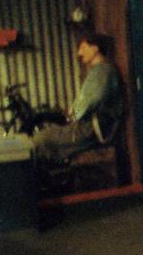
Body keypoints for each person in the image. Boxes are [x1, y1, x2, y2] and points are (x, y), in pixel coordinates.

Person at [33, 32, 123, 162]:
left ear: (95, 49)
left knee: (41, 138)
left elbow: (91, 100)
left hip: (93, 128)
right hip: (91, 126)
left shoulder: (103, 71)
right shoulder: (99, 71)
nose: (79, 53)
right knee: (47, 139)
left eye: (83, 47)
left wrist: (73, 115)